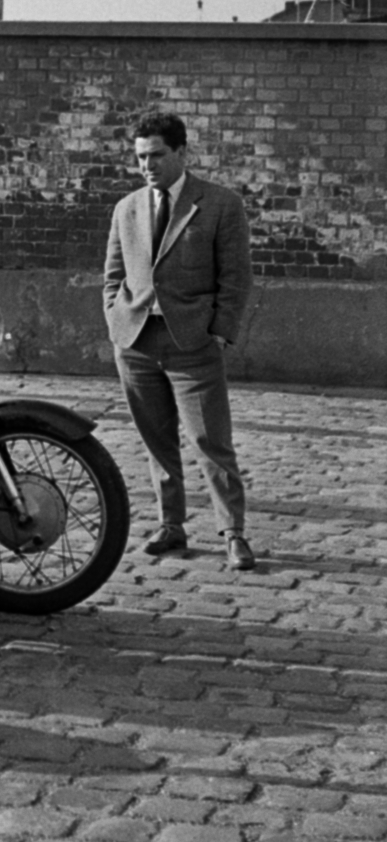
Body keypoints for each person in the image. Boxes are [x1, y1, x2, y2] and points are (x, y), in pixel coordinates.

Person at [103, 111, 256, 570]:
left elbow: (236, 277)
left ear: (181, 153)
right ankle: (171, 525)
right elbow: (112, 274)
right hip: (135, 342)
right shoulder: (127, 208)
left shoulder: (220, 204)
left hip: (192, 343)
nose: (147, 166)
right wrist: (115, 316)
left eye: (156, 156)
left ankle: (233, 533)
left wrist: (220, 332)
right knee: (156, 440)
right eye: (140, 158)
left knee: (211, 440)